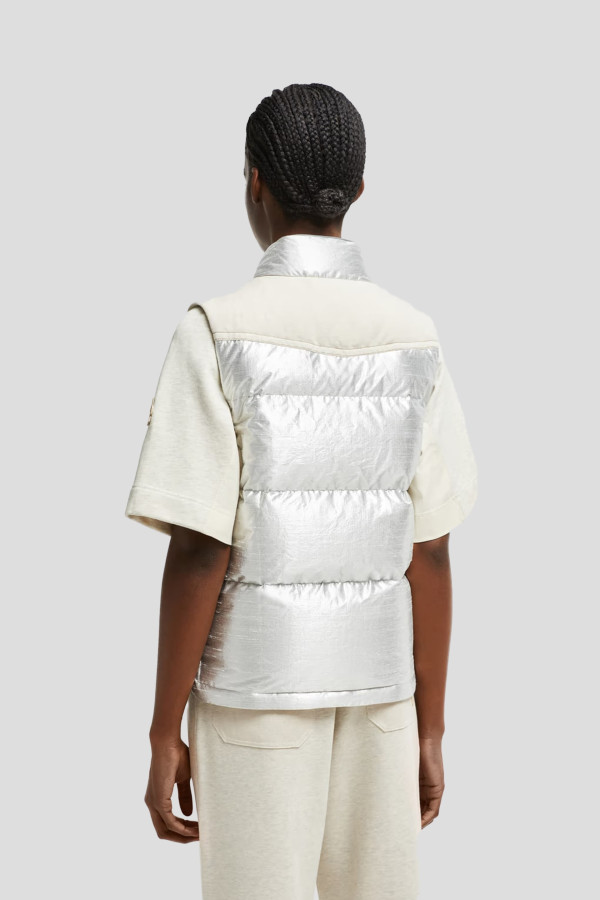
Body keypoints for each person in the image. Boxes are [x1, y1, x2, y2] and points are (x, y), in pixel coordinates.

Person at [124, 82, 478, 900]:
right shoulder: (415, 337)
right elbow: (431, 548)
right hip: (382, 699)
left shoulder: (215, 330)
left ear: (254, 183)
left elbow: (200, 545)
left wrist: (162, 731)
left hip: (256, 699)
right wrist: (430, 728)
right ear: (359, 189)